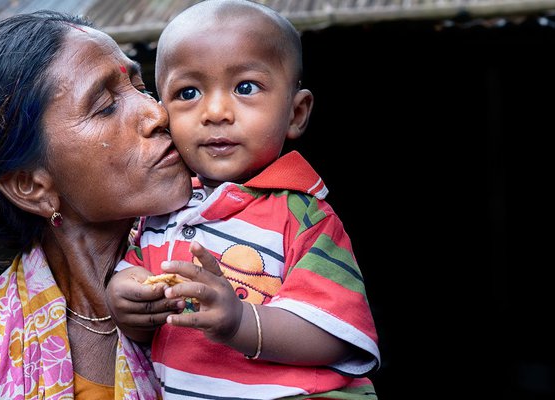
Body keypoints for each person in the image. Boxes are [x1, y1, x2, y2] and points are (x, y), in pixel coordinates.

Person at [0, 10, 193, 399]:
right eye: (105, 105)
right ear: (32, 187)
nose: (157, 113)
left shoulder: (248, 267)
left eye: (141, 87)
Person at [105, 1, 381, 398]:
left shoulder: (303, 215)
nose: (215, 111)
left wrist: (240, 322)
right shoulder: (160, 212)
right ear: (163, 114)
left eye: (245, 87)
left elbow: (336, 334)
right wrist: (127, 301)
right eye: (189, 92)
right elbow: (140, 310)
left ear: (296, 113)